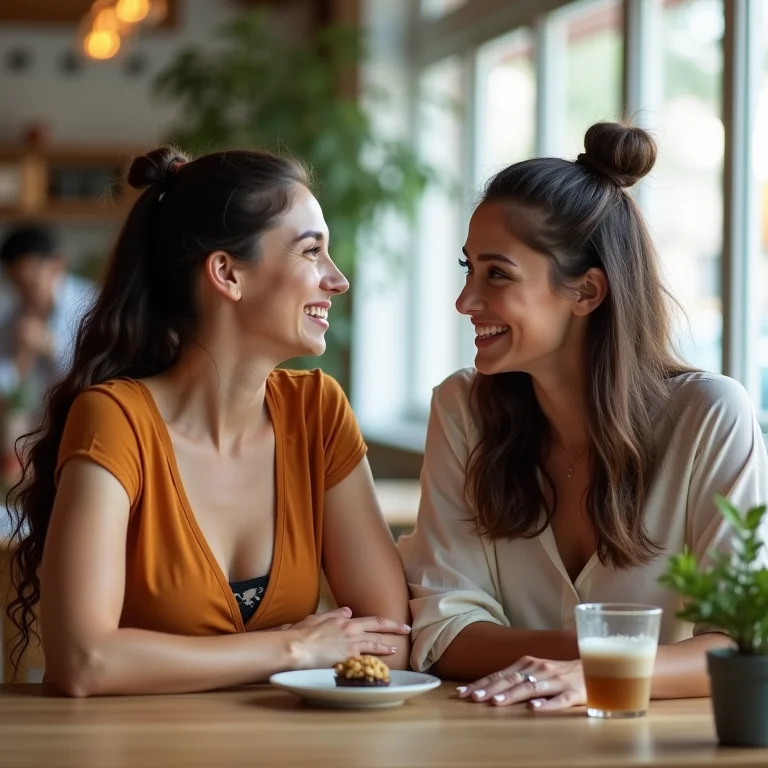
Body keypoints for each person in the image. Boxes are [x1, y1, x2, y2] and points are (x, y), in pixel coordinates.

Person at [6, 147, 411, 696]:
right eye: (311, 252)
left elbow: (391, 639)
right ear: (226, 273)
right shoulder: (117, 418)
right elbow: (84, 661)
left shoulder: (318, 411)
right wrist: (294, 647)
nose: (336, 280)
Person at [397, 122, 768, 712]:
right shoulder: (462, 408)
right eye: (468, 268)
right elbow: (444, 634)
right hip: (489, 743)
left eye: (497, 273)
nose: (465, 301)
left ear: (587, 292)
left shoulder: (710, 416)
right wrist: (599, 657)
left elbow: (746, 641)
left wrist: (591, 670)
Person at [0, 225, 94, 410]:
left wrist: (51, 346)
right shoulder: (13, 316)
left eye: (32, 284)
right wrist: (22, 357)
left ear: (56, 265)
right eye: (18, 285)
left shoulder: (91, 305)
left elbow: (99, 374)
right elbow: (6, 386)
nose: (26, 294)